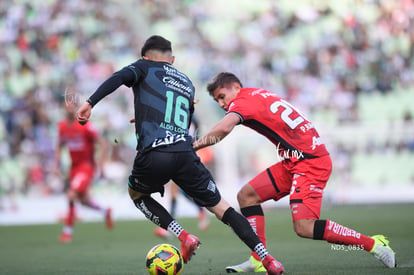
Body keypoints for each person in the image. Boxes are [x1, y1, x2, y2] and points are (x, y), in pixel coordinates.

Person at [75, 35, 284, 274]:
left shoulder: (142, 66)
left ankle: (183, 235)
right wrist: (148, 116)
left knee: (137, 194)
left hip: (154, 153)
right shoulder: (186, 82)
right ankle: (268, 260)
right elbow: (181, 119)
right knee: (223, 209)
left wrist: (90, 102)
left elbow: (118, 78)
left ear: (145, 56)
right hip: (185, 153)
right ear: (171, 59)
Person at [193, 72, 396, 273]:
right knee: (247, 196)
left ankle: (373, 244)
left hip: (310, 162)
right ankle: (259, 259)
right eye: (216, 100)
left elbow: (224, 129)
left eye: (222, 96)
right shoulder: (256, 94)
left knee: (304, 227)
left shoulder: (242, 102)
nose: (221, 103)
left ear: (236, 87)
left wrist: (195, 145)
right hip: (294, 160)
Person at [56, 101, 113, 243]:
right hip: (73, 167)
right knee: (83, 201)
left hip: (86, 166)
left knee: (71, 195)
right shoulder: (62, 126)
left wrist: (101, 164)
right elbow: (59, 145)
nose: (69, 108)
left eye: (72, 105)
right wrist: (56, 164)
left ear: (76, 108)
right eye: (67, 105)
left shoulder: (85, 125)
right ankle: (105, 211)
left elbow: (102, 142)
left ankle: (67, 231)